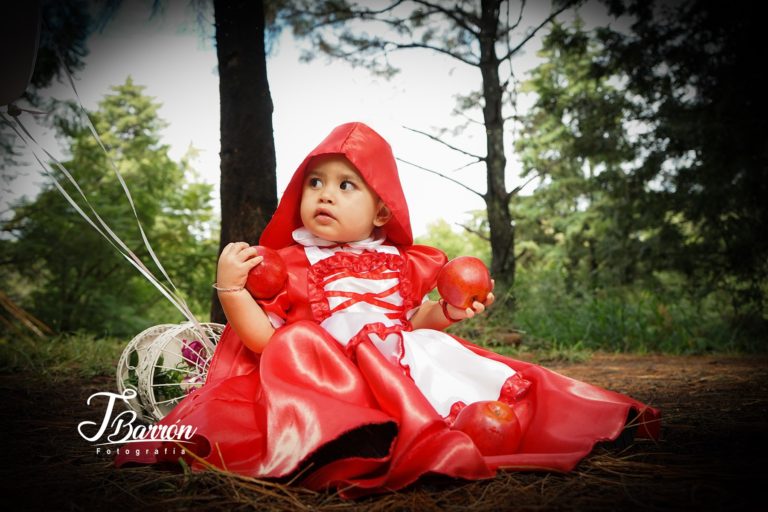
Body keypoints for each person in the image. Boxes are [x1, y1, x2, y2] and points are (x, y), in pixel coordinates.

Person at [116, 122, 660, 497]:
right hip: (332, 376)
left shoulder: (401, 264)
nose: (324, 195)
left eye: (345, 185)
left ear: (381, 212)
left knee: (445, 358)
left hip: (400, 360)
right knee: (298, 341)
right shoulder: (292, 263)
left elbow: (410, 322)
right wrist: (233, 290)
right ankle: (349, 436)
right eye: (314, 182)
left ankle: (458, 428)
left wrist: (446, 310)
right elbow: (264, 341)